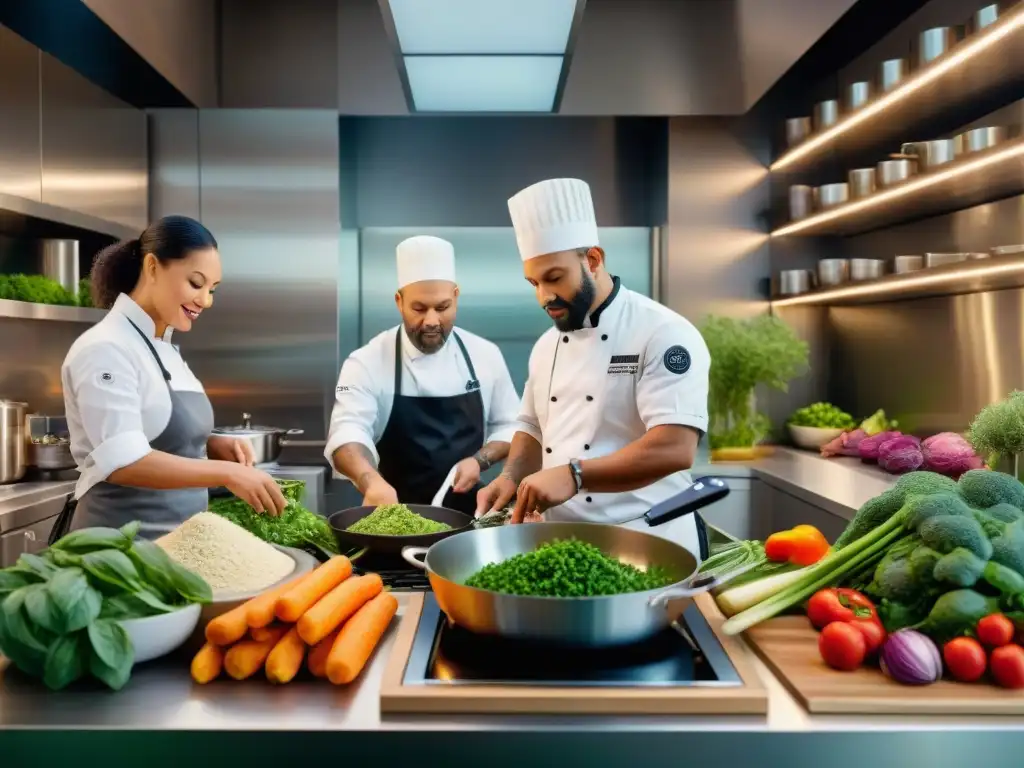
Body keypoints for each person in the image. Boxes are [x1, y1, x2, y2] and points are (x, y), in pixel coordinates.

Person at [475, 178, 712, 556]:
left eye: (554, 278)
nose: (544, 297)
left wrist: (574, 474)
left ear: (593, 260)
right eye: (533, 282)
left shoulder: (663, 332)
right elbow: (533, 427)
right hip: (565, 545)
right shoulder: (546, 344)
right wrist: (510, 476)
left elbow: (675, 448)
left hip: (650, 539)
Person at [58, 215, 287, 539]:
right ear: (152, 267)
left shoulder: (164, 348)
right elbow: (124, 462)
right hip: (119, 554)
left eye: (212, 289)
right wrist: (227, 473)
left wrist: (209, 444)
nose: (205, 300)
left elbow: (153, 429)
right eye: (195, 283)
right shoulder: (104, 348)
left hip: (175, 549)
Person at [325, 235, 521, 515]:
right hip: (391, 517)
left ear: (456, 297)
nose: (431, 321)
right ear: (399, 301)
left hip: (468, 523)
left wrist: (480, 460)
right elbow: (347, 432)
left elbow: (512, 428)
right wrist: (370, 481)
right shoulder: (367, 361)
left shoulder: (484, 355)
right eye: (419, 308)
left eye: (442, 308)